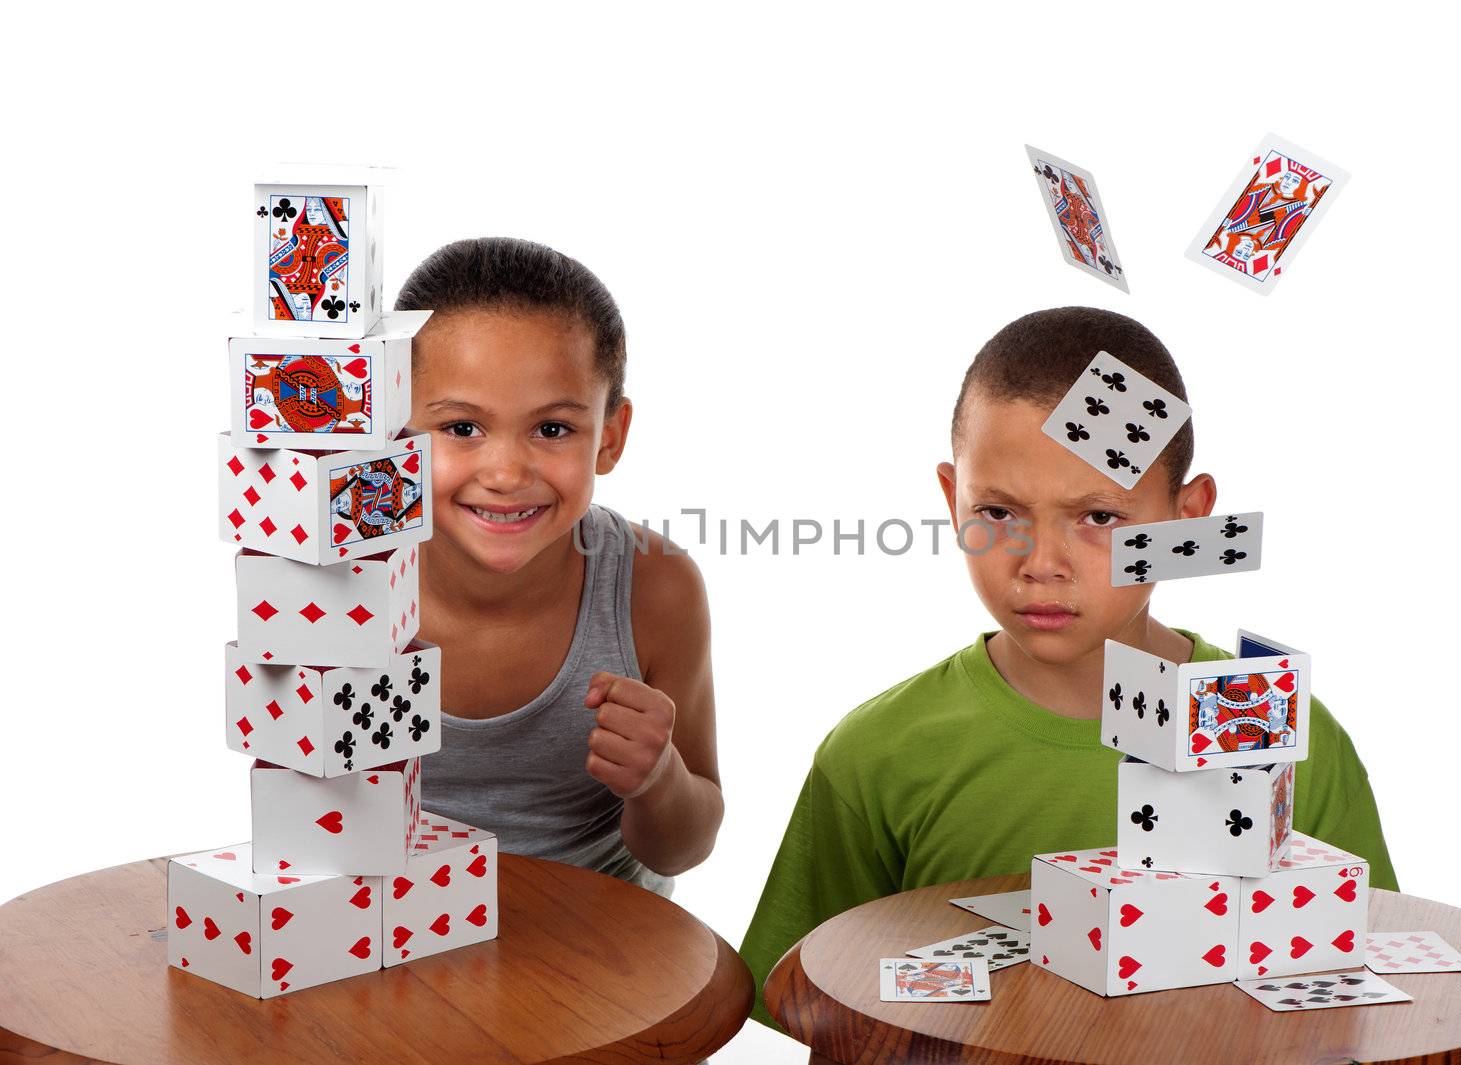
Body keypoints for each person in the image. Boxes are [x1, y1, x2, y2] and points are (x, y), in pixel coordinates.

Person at [738, 306, 1397, 1028]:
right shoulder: (875, 755)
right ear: (949, 498)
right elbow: (824, 1017)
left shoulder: (1290, 735)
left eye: (1100, 518)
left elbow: (1361, 998)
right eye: (997, 510)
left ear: (1187, 521)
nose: (1040, 565)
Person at [396, 237, 723, 895]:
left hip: (602, 945)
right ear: (392, 426)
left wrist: (658, 778)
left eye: (552, 429)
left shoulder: (654, 588)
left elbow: (684, 846)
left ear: (610, 436)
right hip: (396, 932)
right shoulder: (342, 579)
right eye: (462, 427)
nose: (506, 473)